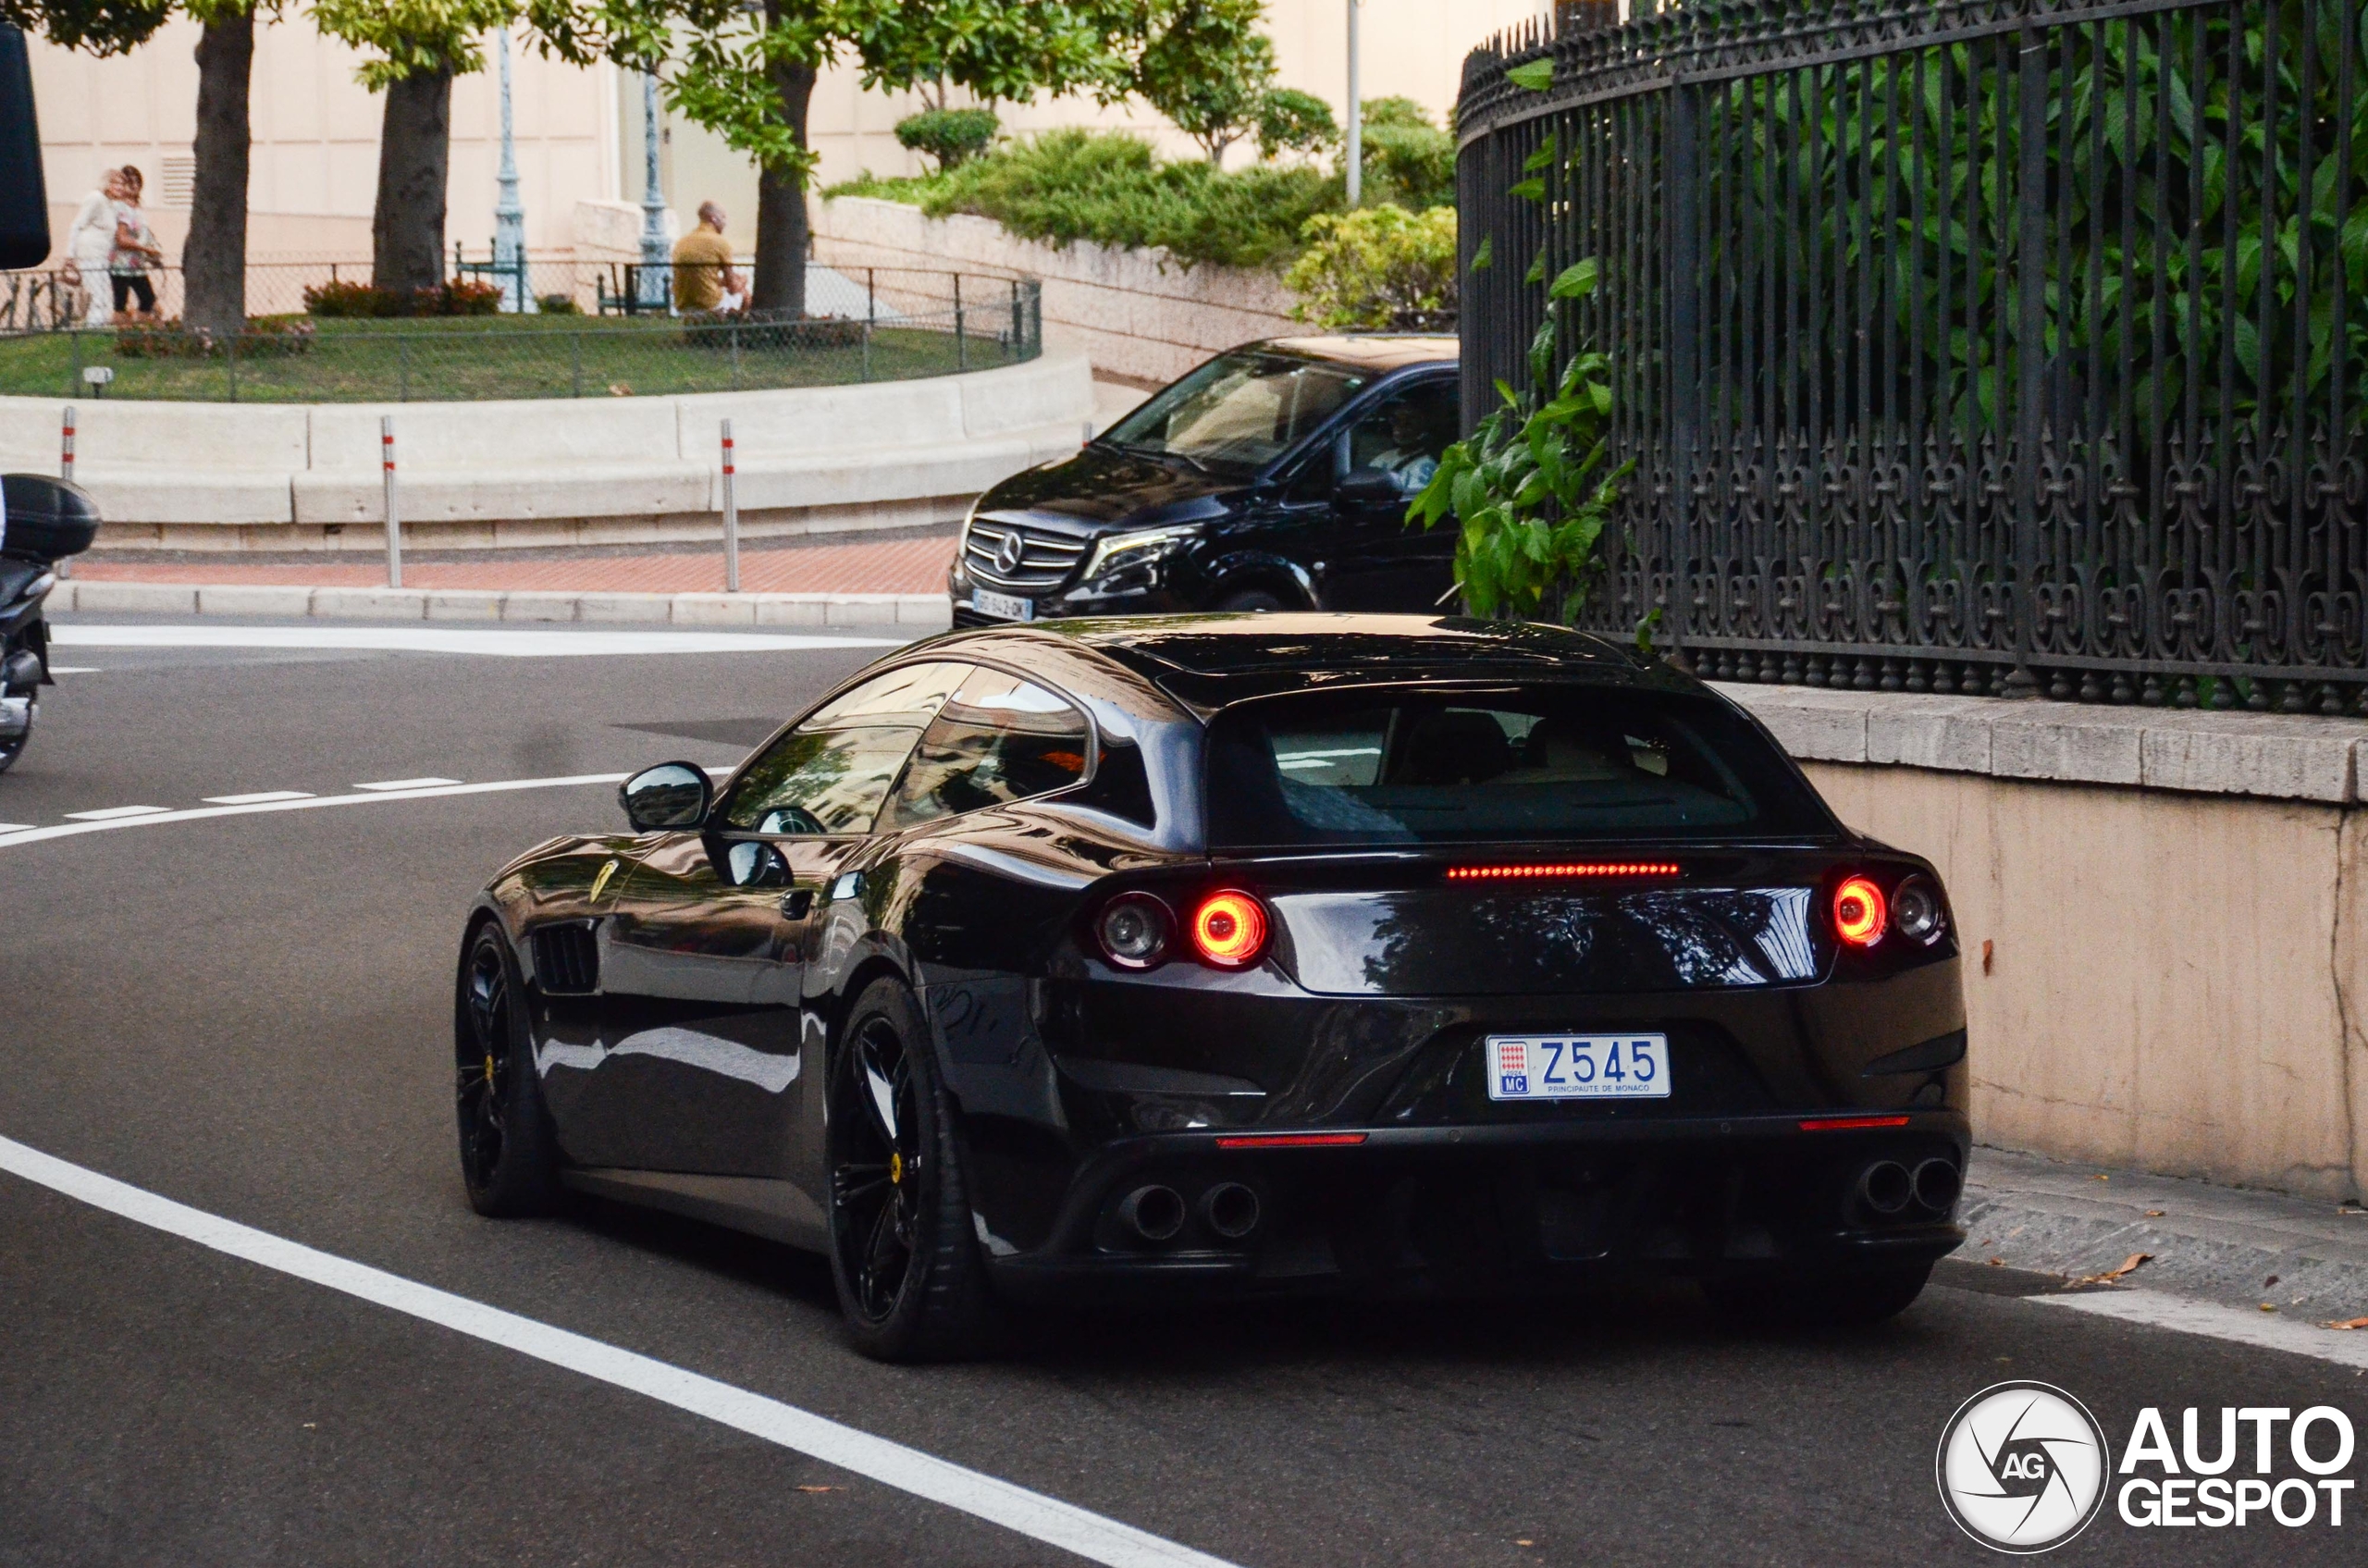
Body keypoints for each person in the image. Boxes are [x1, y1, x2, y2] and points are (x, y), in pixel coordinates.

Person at [60, 168, 125, 327]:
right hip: (90, 253)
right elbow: (77, 225)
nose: (120, 187)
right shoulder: (95, 198)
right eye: (116, 183)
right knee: (96, 293)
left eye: (122, 184)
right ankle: (94, 326)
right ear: (106, 183)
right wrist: (70, 254)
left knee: (105, 293)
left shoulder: (111, 205)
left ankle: (101, 325)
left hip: (102, 255)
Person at [108, 167, 164, 323]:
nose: (133, 186)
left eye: (137, 181)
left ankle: (141, 332)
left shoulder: (138, 209)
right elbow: (121, 238)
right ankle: (123, 335)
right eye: (128, 182)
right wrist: (145, 249)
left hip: (137, 263)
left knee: (148, 300)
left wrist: (152, 252)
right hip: (121, 263)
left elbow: (143, 234)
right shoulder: (119, 207)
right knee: (121, 303)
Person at [671, 202, 744, 314]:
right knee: (745, 295)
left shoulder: (682, 242)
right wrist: (743, 280)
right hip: (710, 304)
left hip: (683, 304)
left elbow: (699, 275)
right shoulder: (720, 242)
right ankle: (737, 330)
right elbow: (733, 286)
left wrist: (721, 282)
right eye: (723, 217)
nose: (725, 223)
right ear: (713, 219)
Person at [1367, 400, 1443, 493]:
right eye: (1396, 420)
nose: (1401, 425)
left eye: (1409, 421)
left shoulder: (1426, 465)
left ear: (1423, 426)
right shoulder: (1382, 459)